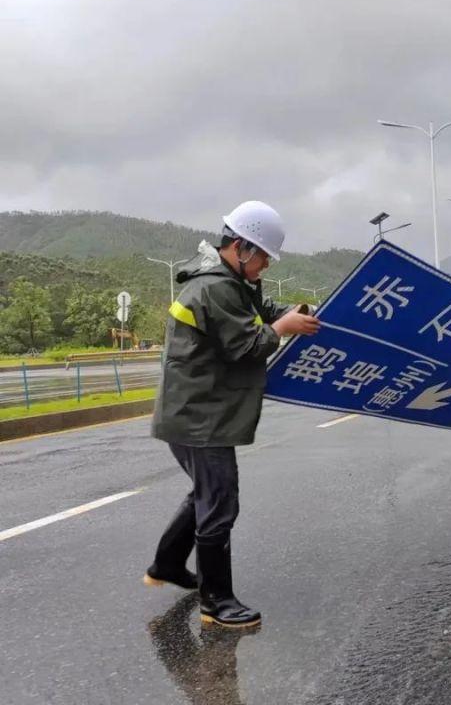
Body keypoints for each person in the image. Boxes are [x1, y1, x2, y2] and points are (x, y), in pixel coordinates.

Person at [143, 200, 320, 628]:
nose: (265, 267)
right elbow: (246, 344)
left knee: (204, 495)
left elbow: (260, 311)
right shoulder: (217, 287)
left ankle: (166, 565)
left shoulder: (230, 281)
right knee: (219, 502)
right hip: (200, 418)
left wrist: (288, 316)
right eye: (262, 257)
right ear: (240, 247)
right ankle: (216, 602)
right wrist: (280, 330)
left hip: (193, 414)